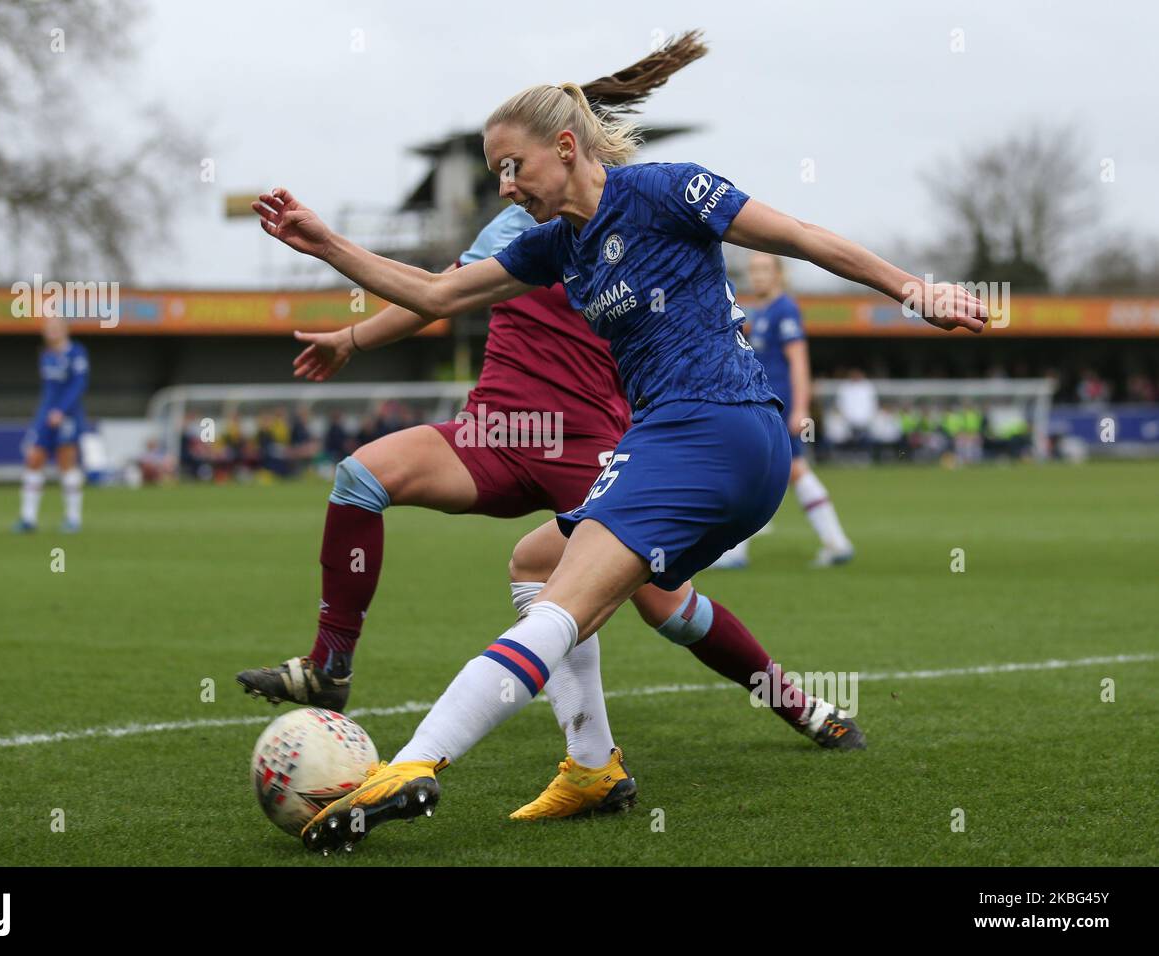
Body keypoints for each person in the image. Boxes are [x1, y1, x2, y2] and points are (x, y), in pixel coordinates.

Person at [253, 74, 985, 852]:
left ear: (566, 148)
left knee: (564, 607)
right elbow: (435, 296)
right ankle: (593, 766)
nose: (505, 185)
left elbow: (800, 235)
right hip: (693, 444)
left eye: (513, 167)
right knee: (539, 566)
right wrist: (326, 243)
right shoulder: (553, 245)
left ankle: (410, 767)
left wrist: (913, 287)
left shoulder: (667, 190)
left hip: (713, 429)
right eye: (494, 171)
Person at [712, 253, 853, 569]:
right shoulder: (760, 312)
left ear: (778, 274)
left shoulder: (784, 309)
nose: (757, 276)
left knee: (780, 469)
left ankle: (834, 542)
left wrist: (801, 407)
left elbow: (799, 361)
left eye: (764, 269)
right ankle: (834, 542)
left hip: (781, 404)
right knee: (769, 469)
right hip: (765, 403)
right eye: (753, 270)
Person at [14, 316, 89, 533]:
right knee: (33, 459)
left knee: (66, 463)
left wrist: (61, 411)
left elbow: (78, 385)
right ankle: (28, 519)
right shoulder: (46, 355)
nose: (52, 332)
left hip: (68, 416)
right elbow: (48, 391)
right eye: (48, 328)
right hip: (45, 416)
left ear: (66, 330)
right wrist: (42, 414)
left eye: (56, 328)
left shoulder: (76, 353)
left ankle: (73, 518)